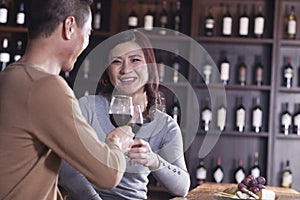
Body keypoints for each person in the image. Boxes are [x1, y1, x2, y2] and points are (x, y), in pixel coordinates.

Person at [0, 0, 134, 199]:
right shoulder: (45, 87)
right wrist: (117, 141)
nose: (86, 43)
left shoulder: (9, 78)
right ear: (69, 27)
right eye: (88, 33)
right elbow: (108, 173)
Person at [59, 30, 191, 200]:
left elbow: (182, 187)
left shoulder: (165, 125)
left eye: (135, 60)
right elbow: (66, 166)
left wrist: (153, 160)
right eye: (116, 62)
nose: (125, 69)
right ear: (108, 71)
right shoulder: (88, 107)